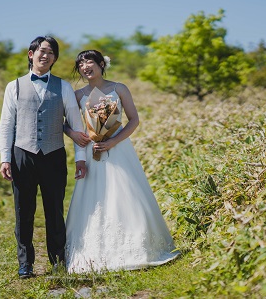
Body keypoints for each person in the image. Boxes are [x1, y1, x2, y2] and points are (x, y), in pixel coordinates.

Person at [64, 50, 180, 273]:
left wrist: (112, 141)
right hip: (92, 150)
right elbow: (65, 123)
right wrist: (74, 134)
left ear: (100, 64)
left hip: (118, 149)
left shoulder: (119, 89)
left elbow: (133, 120)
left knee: (125, 192)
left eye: (89, 62)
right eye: (80, 64)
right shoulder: (77, 95)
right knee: (95, 195)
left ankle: (137, 246)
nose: (85, 67)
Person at [0, 36, 87, 279]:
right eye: (41, 51)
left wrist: (81, 157)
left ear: (55, 59)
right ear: (31, 54)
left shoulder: (64, 87)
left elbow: (75, 123)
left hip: (54, 154)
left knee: (54, 211)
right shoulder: (13, 86)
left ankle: (58, 261)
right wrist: (5, 158)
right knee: (23, 211)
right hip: (22, 154)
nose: (45, 55)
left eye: (51, 53)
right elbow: (6, 125)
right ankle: (25, 263)